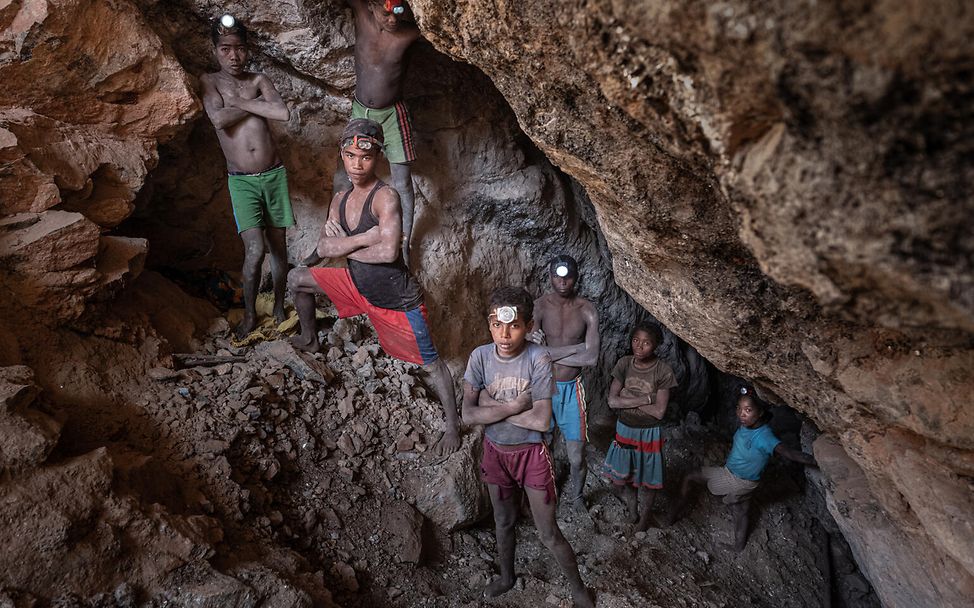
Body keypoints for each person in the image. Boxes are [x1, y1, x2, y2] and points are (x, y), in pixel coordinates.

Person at [286, 118, 460, 455]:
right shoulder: (339, 199)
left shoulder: (386, 198)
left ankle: (453, 427)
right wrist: (366, 236)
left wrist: (347, 244)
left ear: (377, 157)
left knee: (432, 364)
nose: (356, 164)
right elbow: (324, 248)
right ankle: (309, 339)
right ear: (342, 154)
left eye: (364, 157)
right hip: (356, 285)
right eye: (349, 155)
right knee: (297, 279)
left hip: (397, 301)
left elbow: (388, 252)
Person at [462, 287, 593, 608]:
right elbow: (467, 414)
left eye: (515, 325)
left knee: (548, 532)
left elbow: (541, 420)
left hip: (531, 455)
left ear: (530, 326)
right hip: (496, 454)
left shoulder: (539, 358)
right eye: (496, 325)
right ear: (488, 323)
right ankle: (506, 577)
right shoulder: (480, 357)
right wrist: (517, 405)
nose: (504, 335)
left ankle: (578, 589)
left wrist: (492, 407)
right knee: (503, 521)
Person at [200, 15, 294, 340]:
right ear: (215, 51)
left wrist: (240, 101)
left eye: (239, 48)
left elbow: (282, 112)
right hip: (241, 181)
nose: (234, 56)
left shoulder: (259, 79)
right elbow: (217, 119)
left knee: (280, 249)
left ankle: (279, 306)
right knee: (254, 252)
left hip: (274, 175)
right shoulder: (210, 81)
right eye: (225, 49)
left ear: (247, 49)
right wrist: (255, 105)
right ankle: (251, 313)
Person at [663, 388, 817, 552]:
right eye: (739, 408)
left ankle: (672, 519)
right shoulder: (747, 425)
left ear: (760, 413)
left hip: (739, 480)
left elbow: (789, 453)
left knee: (697, 480)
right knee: (739, 509)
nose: (741, 414)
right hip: (738, 477)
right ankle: (735, 545)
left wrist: (816, 461)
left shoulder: (765, 436)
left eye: (748, 410)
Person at [341, 0, 421, 263]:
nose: (393, 20)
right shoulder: (362, 15)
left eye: (398, 11)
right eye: (386, 13)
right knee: (346, 174)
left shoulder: (408, 33)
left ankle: (404, 245)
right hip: (360, 110)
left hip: (392, 113)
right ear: (373, 6)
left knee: (403, 182)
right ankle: (340, 235)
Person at [528, 254, 600, 508]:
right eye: (558, 276)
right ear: (549, 277)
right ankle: (544, 492)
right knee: (540, 445)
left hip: (572, 391)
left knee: (577, 456)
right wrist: (575, 348)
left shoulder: (586, 310)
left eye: (568, 277)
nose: (563, 282)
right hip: (544, 387)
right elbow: (531, 352)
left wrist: (550, 353)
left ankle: (578, 496)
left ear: (576, 278)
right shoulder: (539, 306)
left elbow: (591, 358)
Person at [603, 322, 678, 531]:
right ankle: (632, 506)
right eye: (636, 340)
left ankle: (644, 518)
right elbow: (612, 401)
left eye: (646, 343)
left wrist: (628, 396)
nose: (639, 346)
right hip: (624, 428)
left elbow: (659, 412)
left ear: (655, 345)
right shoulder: (624, 363)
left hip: (649, 432)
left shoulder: (663, 371)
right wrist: (647, 398)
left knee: (648, 478)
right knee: (623, 476)